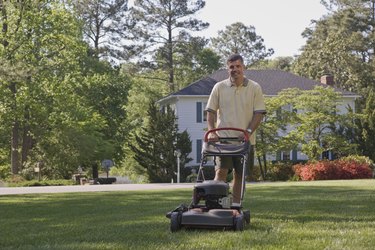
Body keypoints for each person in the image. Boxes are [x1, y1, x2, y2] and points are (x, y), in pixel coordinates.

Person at [205, 54, 266, 206]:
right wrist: (212, 131)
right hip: (223, 140)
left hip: (244, 140)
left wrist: (248, 131)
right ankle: (214, 204)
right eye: (231, 67)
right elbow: (211, 111)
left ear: (243, 67)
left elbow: (259, 113)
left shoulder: (254, 87)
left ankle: (235, 205)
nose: (235, 69)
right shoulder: (219, 87)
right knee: (221, 172)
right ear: (227, 69)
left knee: (240, 174)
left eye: (238, 66)